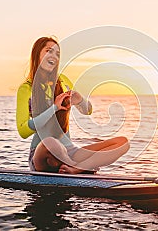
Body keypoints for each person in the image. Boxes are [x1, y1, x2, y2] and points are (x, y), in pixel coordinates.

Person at [16, 37, 130, 174]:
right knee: (50, 142)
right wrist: (54, 108)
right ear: (37, 55)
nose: (54, 56)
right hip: (43, 153)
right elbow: (23, 131)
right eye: (48, 51)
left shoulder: (63, 81)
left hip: (69, 151)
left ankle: (75, 168)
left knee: (122, 143)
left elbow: (87, 111)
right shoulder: (26, 89)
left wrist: (80, 100)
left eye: (57, 54)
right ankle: (82, 167)